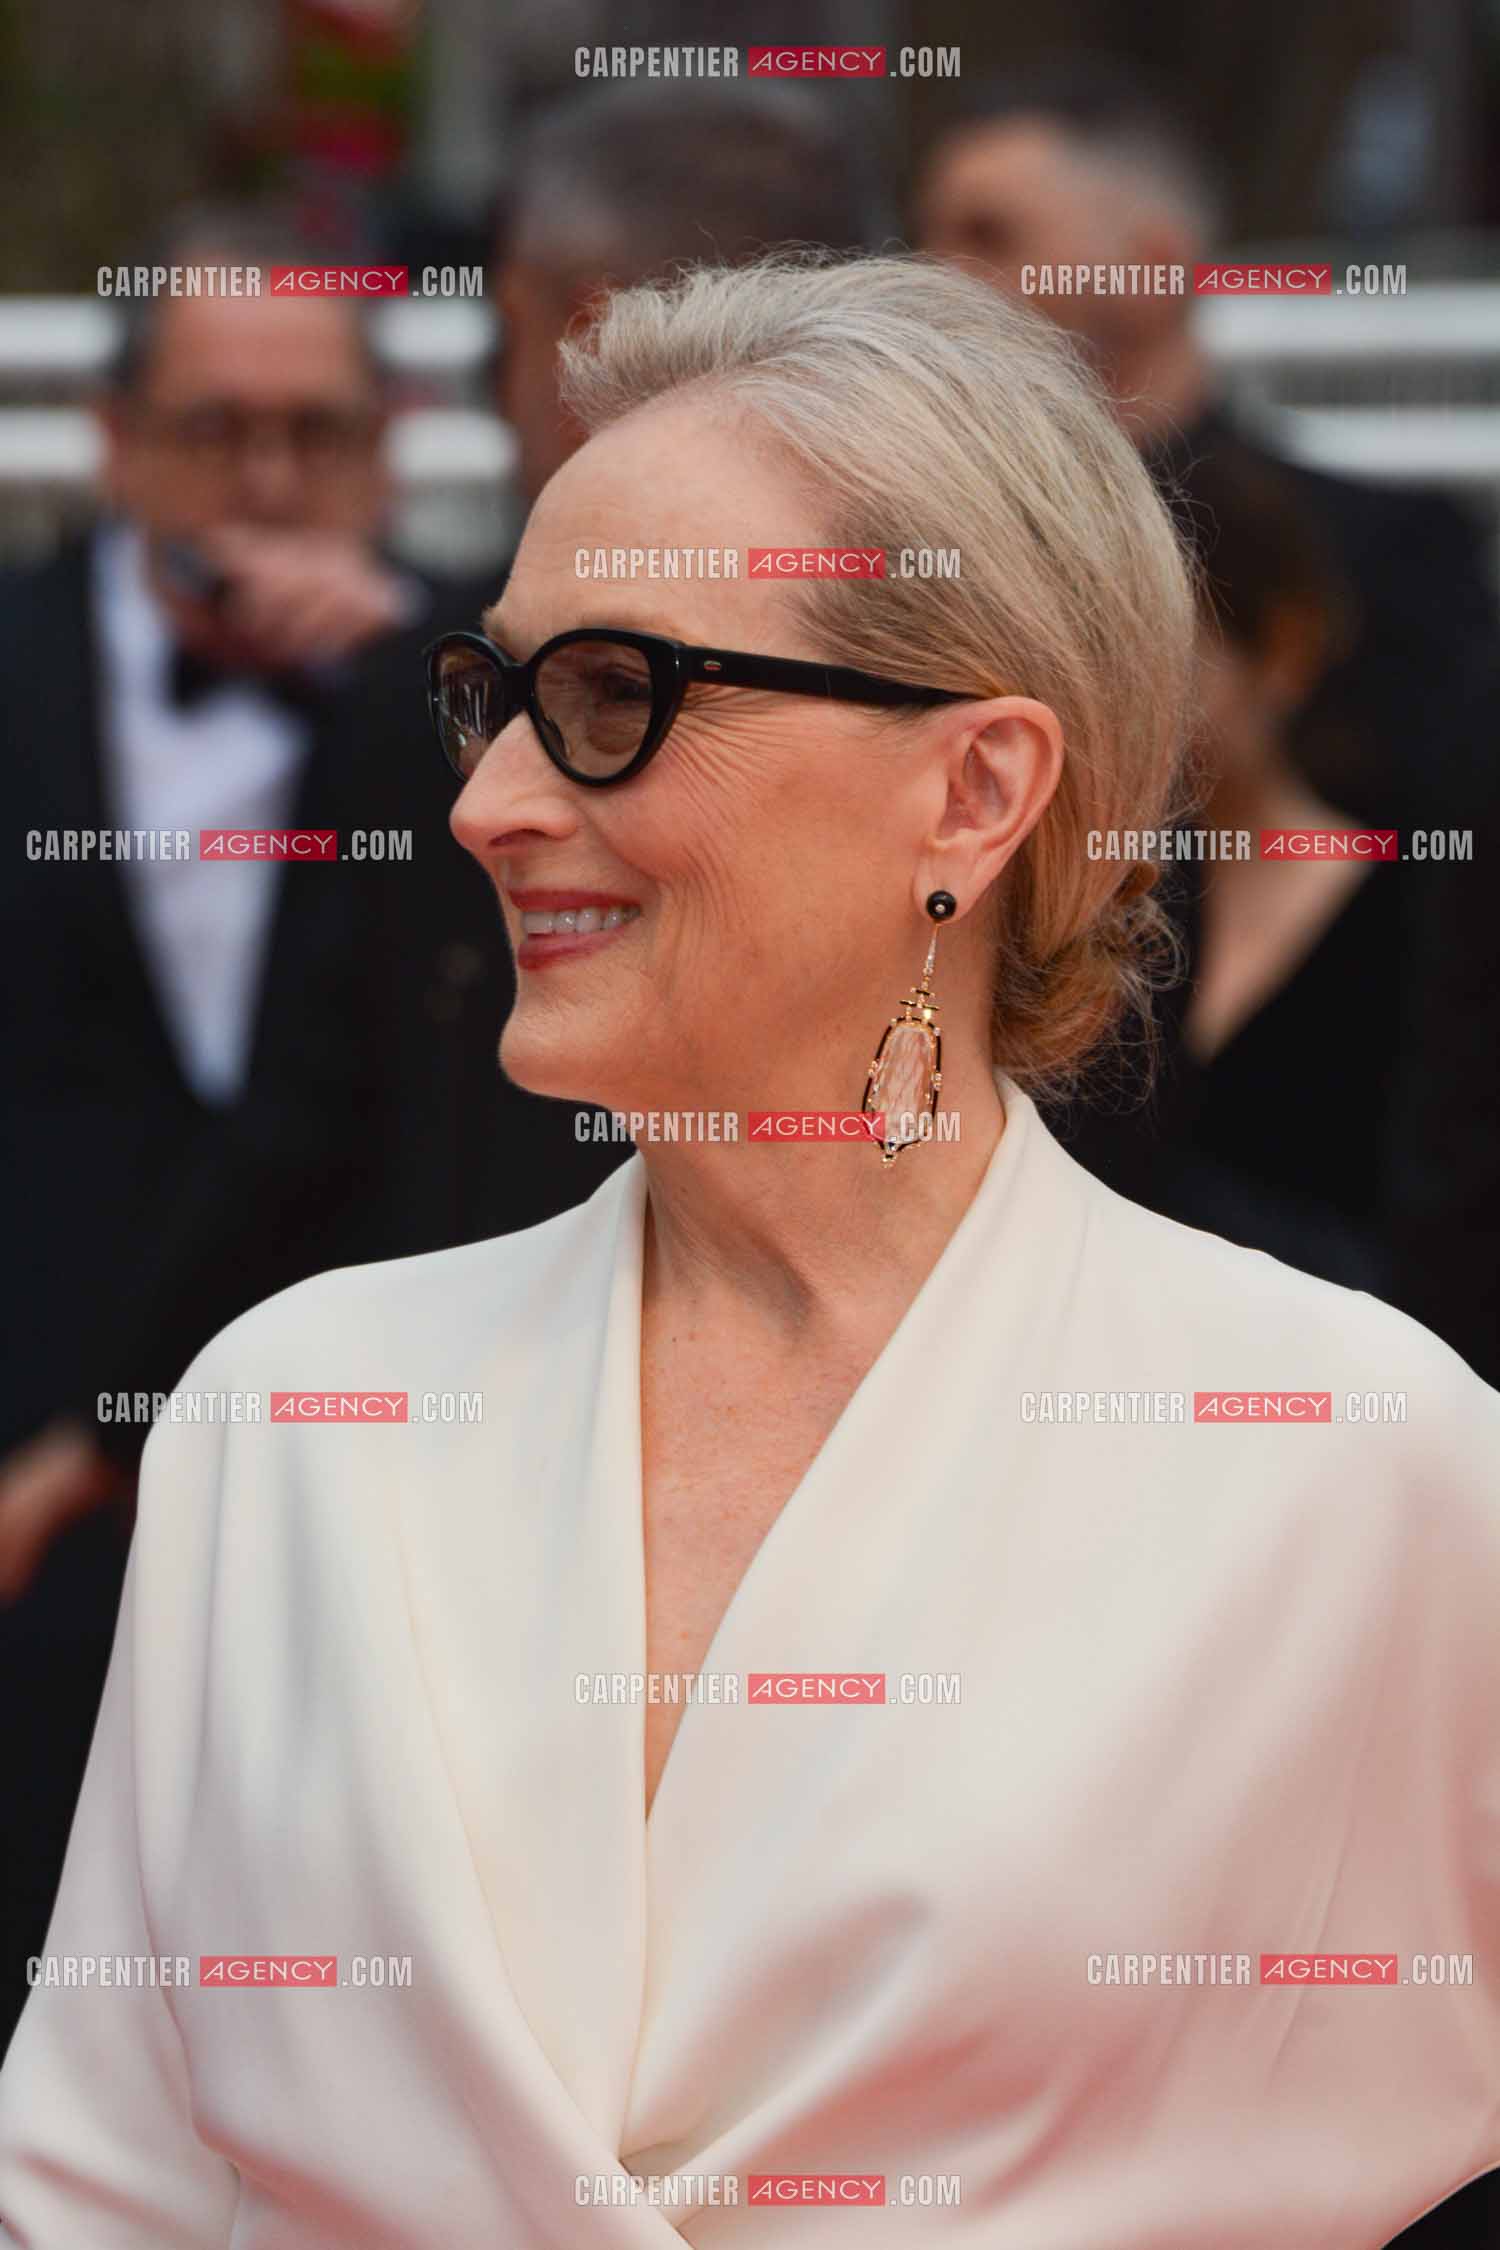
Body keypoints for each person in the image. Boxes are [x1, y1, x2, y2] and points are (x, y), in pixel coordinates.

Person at [0, 251, 1496, 2248]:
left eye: (616, 700)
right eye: (491, 699)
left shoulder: (1352, 1455)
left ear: (974, 786)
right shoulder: (287, 1419)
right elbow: (98, 2178)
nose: (493, 806)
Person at [0, 207, 619, 2056]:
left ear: (389, 436)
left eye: (316, 433)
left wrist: (417, 694)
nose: (266, 479)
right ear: (113, 442)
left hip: (359, 1454)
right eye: (214, 428)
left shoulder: (495, 691)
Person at [913, 55, 1500, 835]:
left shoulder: (1382, 554)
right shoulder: (928, 543)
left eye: (991, 237)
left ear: (1156, 267)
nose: (933, 277)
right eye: (929, 239)